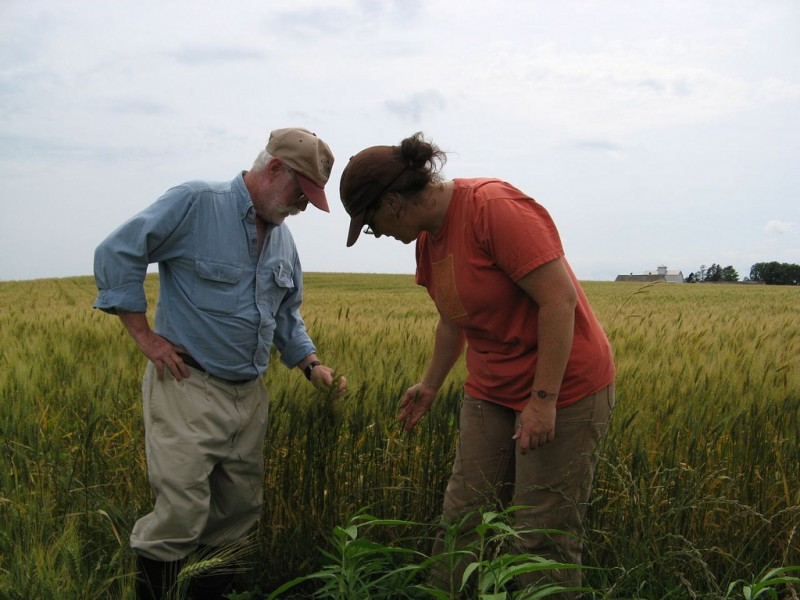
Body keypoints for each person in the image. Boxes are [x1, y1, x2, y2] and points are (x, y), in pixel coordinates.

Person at [338, 132, 615, 596]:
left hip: (564, 390)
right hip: (491, 390)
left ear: (393, 202)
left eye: (372, 223)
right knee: (462, 518)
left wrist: (543, 401)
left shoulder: (492, 208)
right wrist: (430, 384)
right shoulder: (428, 242)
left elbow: (559, 301)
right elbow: (452, 319)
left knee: (539, 534)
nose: (378, 233)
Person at [93, 127, 347, 600]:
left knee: (236, 514)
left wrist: (311, 364)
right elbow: (117, 251)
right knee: (181, 512)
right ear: (274, 169)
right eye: (302, 193)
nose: (303, 206)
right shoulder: (195, 203)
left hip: (249, 395)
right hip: (189, 385)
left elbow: (285, 314)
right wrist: (145, 337)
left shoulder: (282, 242)